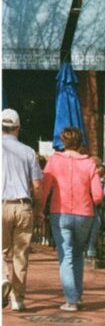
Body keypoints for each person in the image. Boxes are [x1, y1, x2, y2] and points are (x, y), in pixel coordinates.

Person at [38, 127, 103, 311]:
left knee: (65, 255)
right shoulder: (89, 163)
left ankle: (71, 299)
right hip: (84, 214)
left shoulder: (54, 161)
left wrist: (40, 210)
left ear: (63, 141)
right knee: (77, 255)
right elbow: (98, 195)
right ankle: (77, 295)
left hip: (60, 212)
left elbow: (45, 188)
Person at [2, 108, 43, 311]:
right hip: (23, 205)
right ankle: (17, 299)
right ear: (18, 128)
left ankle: (1, 278)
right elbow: (37, 185)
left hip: (1, 204)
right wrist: (40, 208)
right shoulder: (28, 151)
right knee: (21, 255)